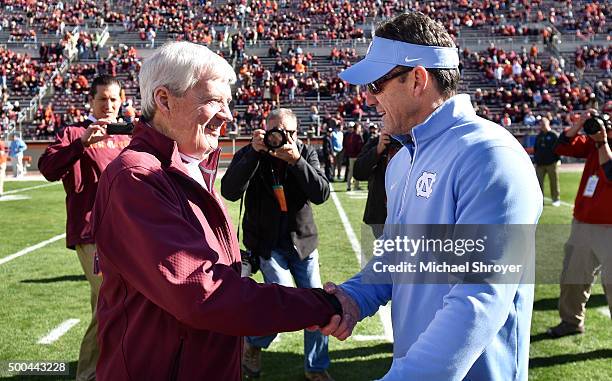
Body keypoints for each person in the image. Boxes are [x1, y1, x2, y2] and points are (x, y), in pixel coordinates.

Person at [91, 42, 342, 381]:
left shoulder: (190, 163)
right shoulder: (136, 177)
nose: (227, 115)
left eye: (227, 102)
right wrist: (324, 305)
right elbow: (203, 293)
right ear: (163, 100)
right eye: (213, 101)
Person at [316, 12, 542, 380]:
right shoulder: (402, 159)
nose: (369, 99)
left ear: (418, 79)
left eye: (376, 84)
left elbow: (480, 298)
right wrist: (355, 297)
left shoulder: (490, 155)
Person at [221, 108, 334, 381]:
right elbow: (229, 191)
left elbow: (321, 193)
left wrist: (296, 161)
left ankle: (316, 368)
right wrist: (252, 153)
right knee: (281, 298)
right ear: (266, 130)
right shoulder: (254, 153)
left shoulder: (305, 153)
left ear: (297, 134)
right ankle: (254, 342)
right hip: (267, 245)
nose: (283, 138)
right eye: (277, 132)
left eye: (290, 133)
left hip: (302, 243)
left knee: (317, 303)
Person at [38, 75, 130, 381]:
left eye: (113, 99)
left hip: (130, 231)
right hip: (92, 230)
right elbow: (48, 168)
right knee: (111, 296)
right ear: (90, 100)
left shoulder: (131, 133)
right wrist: (80, 144)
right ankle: (90, 374)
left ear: (122, 100)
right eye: (102, 98)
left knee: (110, 301)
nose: (108, 105)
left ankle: (111, 366)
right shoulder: (74, 131)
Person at [547, 109, 612, 338]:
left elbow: (610, 173)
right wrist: (580, 124)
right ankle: (571, 321)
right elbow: (561, 148)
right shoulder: (595, 144)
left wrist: (602, 142)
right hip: (583, 223)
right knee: (573, 278)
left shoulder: (601, 144)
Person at [353, 127, 403, 238]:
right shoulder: (377, 142)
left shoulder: (414, 143)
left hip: (406, 214)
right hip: (380, 213)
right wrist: (377, 150)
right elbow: (358, 173)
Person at [534, 117, 561, 206]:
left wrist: (557, 160)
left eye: (543, 124)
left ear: (548, 124)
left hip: (551, 163)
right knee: (538, 184)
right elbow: (536, 149)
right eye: (540, 124)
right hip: (540, 164)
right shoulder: (539, 136)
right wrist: (536, 160)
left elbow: (559, 148)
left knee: (554, 182)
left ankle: (556, 199)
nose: (541, 126)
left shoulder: (553, 135)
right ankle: (540, 201)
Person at [343, 122, 364, 191]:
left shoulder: (349, 135)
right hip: (356, 156)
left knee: (351, 171)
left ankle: (349, 186)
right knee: (355, 171)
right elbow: (360, 146)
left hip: (351, 156)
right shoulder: (357, 135)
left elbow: (346, 145)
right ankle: (355, 186)